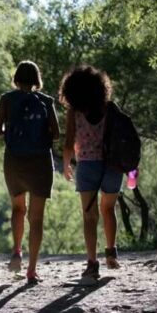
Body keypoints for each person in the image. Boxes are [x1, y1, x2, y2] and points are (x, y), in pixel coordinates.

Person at [0, 60, 59, 284]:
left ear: (17, 78)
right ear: (37, 79)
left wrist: (11, 130)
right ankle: (32, 270)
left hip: (14, 161)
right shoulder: (46, 101)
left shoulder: (7, 99)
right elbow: (56, 134)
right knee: (37, 218)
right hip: (40, 162)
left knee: (18, 209)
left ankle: (17, 251)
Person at [59, 65, 122, 285]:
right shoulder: (109, 108)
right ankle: (111, 252)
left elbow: (68, 144)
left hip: (86, 166)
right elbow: (122, 139)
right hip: (112, 166)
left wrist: (67, 165)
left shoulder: (74, 112)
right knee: (108, 209)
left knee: (89, 216)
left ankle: (92, 263)